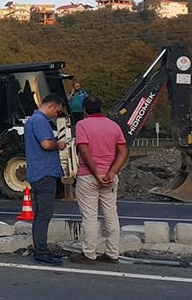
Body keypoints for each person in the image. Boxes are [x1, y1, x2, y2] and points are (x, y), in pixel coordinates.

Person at [69, 96, 128, 264]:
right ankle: (112, 253)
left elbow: (84, 150)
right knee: (111, 214)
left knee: (89, 216)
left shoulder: (82, 125)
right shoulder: (113, 125)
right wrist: (112, 172)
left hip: (88, 176)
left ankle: (89, 253)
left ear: (85, 109)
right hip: (110, 177)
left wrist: (96, 174)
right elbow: (123, 151)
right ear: (101, 108)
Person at [24, 93, 67, 265]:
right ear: (52, 106)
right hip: (44, 173)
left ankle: (41, 249)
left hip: (37, 172)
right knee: (44, 214)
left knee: (40, 214)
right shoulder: (40, 121)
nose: (56, 115)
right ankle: (41, 251)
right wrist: (59, 144)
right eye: (57, 111)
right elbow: (46, 144)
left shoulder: (32, 121)